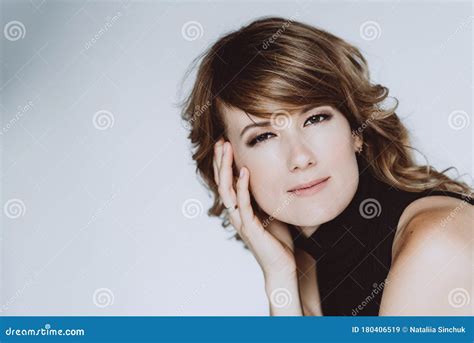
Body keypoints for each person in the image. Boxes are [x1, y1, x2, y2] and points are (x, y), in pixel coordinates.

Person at [180, 17, 473, 316]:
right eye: (264, 136)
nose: (300, 157)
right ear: (228, 164)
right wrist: (280, 278)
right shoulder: (305, 261)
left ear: (356, 130)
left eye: (315, 119)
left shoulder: (436, 244)